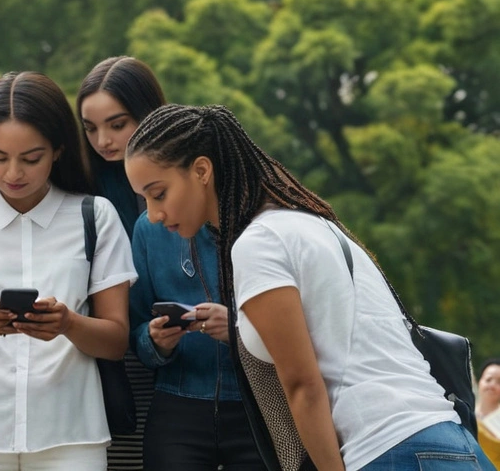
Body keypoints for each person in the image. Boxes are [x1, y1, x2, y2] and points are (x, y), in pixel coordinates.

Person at [124, 104, 494, 471]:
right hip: (451, 440)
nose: (154, 215)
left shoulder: (259, 243)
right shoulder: (311, 223)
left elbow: (303, 385)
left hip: (386, 449)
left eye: (159, 194)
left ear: (202, 170)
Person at [0, 71, 136, 470]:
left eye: (31, 159)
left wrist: (67, 323)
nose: (13, 173)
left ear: (58, 150)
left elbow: (116, 340)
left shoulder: (96, 215)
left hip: (72, 436)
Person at [77, 58, 263, 470]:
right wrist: (154, 341)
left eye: (117, 124)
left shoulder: (256, 221)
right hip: (149, 382)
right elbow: (138, 322)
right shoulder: (105, 204)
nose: (104, 140)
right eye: (90, 128)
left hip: (251, 396)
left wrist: (236, 329)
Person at [477, 359, 500, 466]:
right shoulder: (465, 414)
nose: (492, 385)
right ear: (480, 381)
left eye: (499, 382)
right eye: (488, 379)